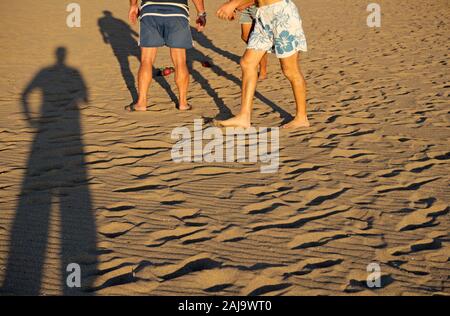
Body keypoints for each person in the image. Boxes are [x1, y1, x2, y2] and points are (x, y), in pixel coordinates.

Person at [216, 0, 310, 129]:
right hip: (263, 15)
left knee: (290, 70)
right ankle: (244, 117)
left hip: (281, 14)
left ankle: (302, 118)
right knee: (247, 63)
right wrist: (235, 6)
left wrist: (232, 5)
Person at [126, 0, 207, 111]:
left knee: (146, 60)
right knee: (180, 62)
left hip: (150, 11)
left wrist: (133, 5)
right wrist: (201, 13)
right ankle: (183, 103)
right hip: (177, 12)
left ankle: (141, 103)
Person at [239, 4, 268, 80]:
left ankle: (263, 70)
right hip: (245, 8)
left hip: (256, 6)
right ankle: (256, 58)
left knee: (259, 41)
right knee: (245, 36)